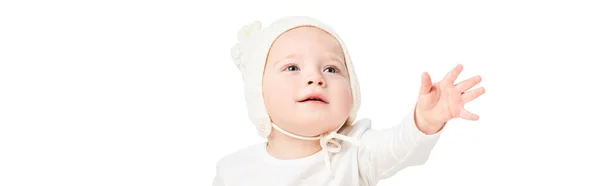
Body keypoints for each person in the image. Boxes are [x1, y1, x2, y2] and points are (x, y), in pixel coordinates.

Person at [212, 16, 486, 186]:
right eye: (292, 68)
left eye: (331, 69)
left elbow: (397, 147)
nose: (315, 78)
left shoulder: (356, 151)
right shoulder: (234, 170)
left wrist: (423, 121)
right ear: (257, 93)